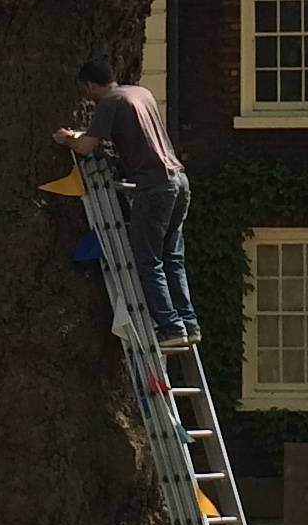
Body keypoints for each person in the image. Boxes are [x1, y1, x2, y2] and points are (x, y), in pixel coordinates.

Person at [54, 57, 199, 350]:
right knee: (172, 257)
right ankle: (188, 323)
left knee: (148, 259)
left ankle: (171, 326)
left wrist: (67, 138)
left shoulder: (110, 102)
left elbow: (85, 147)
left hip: (154, 187)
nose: (87, 97)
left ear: (92, 84)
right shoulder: (140, 93)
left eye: (86, 91)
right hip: (179, 182)